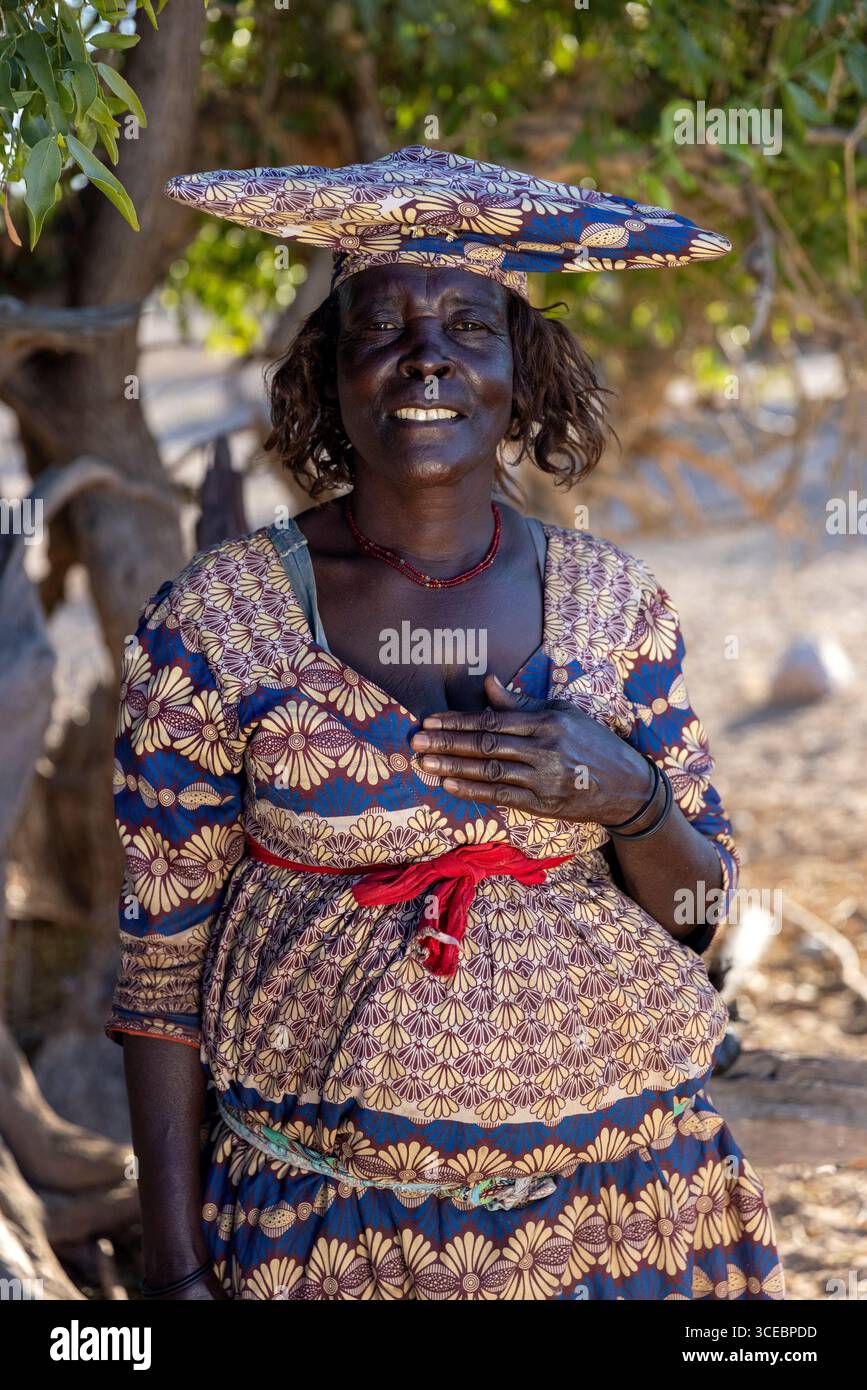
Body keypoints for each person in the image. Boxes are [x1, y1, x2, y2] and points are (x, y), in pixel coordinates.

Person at [106, 147, 784, 1300]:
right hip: (327, 1225)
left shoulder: (614, 607)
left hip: (624, 1215)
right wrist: (173, 1275)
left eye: (470, 326)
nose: (427, 357)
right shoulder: (214, 624)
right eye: (383, 328)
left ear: (521, 372)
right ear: (330, 372)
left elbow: (702, 915)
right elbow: (161, 976)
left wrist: (627, 794)